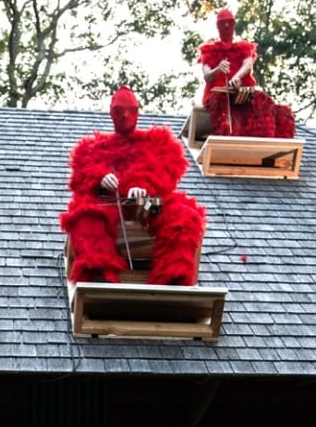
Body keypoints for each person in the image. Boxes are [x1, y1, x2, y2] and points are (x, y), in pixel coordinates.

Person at [61, 86, 207, 286]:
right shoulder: (92, 149)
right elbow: (81, 179)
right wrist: (99, 179)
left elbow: (167, 171)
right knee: (85, 216)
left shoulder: (157, 144)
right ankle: (99, 277)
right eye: (119, 111)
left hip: (146, 207)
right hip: (110, 207)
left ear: (138, 111)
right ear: (112, 114)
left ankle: (172, 277)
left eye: (131, 110)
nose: (126, 116)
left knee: (182, 215)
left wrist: (143, 185)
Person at [198, 8, 295, 139]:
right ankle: (226, 134)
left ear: (234, 25)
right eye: (222, 23)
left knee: (262, 101)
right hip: (218, 96)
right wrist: (218, 69)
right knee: (220, 104)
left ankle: (263, 136)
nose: (226, 26)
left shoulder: (243, 48)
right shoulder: (209, 51)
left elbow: (248, 65)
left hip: (242, 93)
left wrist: (236, 78)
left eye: (229, 23)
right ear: (218, 27)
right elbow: (207, 75)